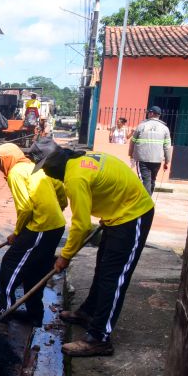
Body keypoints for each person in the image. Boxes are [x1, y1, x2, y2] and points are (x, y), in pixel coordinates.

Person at [30, 138, 155, 356]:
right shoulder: (79, 159)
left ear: (53, 164)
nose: (48, 174)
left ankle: (99, 339)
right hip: (117, 214)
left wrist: (65, 256)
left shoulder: (74, 178)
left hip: (133, 215)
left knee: (114, 278)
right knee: (103, 268)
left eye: (46, 169)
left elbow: (81, 226)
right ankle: (88, 312)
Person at [0, 143, 67, 327]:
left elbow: (25, 208)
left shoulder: (16, 172)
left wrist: (17, 233)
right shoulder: (36, 167)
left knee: (10, 262)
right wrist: (59, 209)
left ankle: (4, 308)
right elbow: (59, 188)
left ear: (8, 159)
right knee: (36, 270)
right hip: (56, 226)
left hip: (41, 227)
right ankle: (35, 316)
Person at [129, 106, 171, 194]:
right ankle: (148, 201)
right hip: (157, 160)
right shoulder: (165, 128)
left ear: (151, 113)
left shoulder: (141, 126)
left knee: (145, 181)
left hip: (142, 159)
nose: (148, 114)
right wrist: (167, 161)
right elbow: (167, 147)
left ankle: (146, 203)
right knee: (152, 181)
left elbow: (132, 141)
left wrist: (131, 155)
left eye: (148, 112)